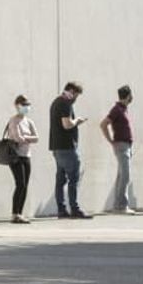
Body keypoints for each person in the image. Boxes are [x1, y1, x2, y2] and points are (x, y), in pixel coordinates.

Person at [49, 82, 90, 219]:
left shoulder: (56, 102)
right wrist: (77, 120)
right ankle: (75, 209)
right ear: (72, 91)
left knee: (60, 180)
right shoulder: (65, 103)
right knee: (73, 179)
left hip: (57, 147)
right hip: (67, 147)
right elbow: (67, 124)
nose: (76, 98)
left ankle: (61, 209)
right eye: (76, 95)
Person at [100, 85, 135, 214]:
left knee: (121, 176)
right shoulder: (117, 109)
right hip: (121, 145)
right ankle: (121, 206)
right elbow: (103, 124)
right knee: (125, 175)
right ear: (128, 96)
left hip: (126, 145)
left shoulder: (123, 109)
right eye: (131, 95)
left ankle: (118, 205)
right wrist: (111, 141)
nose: (132, 98)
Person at [6, 95, 39, 224]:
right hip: (16, 156)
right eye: (23, 104)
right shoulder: (14, 120)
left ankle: (20, 213)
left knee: (25, 186)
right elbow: (18, 138)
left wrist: (25, 137)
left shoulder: (29, 121)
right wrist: (27, 137)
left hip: (26, 155)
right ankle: (15, 214)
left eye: (27, 104)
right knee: (20, 184)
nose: (26, 107)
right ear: (17, 105)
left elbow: (37, 138)